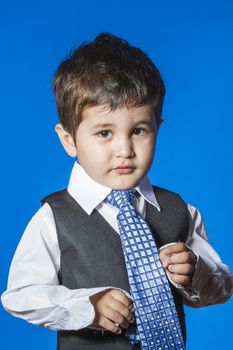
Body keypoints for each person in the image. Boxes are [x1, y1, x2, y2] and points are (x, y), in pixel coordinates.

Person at [1, 33, 232, 350]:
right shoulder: (54, 218)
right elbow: (20, 295)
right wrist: (87, 305)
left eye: (138, 130)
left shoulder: (181, 211)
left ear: (157, 129)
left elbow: (222, 288)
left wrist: (196, 273)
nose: (124, 149)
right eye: (104, 132)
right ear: (69, 140)